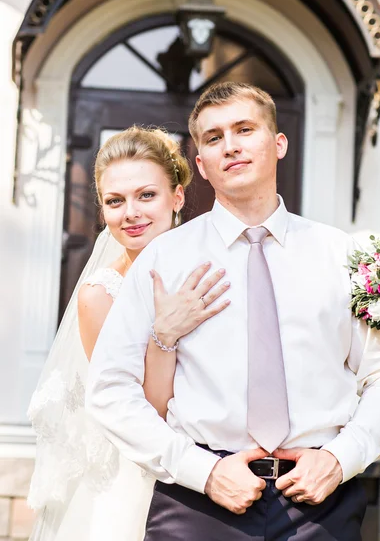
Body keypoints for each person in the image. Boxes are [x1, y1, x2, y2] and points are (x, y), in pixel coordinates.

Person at [86, 82, 380, 541]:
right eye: (214, 138)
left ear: (278, 144)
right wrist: (200, 470)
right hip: (197, 504)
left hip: (320, 503)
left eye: (244, 129)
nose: (231, 146)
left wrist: (343, 457)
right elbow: (109, 389)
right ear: (200, 164)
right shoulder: (162, 260)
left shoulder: (341, 255)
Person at [27, 126, 230, 541]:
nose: (131, 213)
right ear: (102, 211)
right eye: (115, 201)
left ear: (177, 197)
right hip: (142, 479)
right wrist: (164, 335)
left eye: (146, 195)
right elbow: (145, 409)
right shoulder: (100, 296)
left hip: (228, 467)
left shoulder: (213, 270)